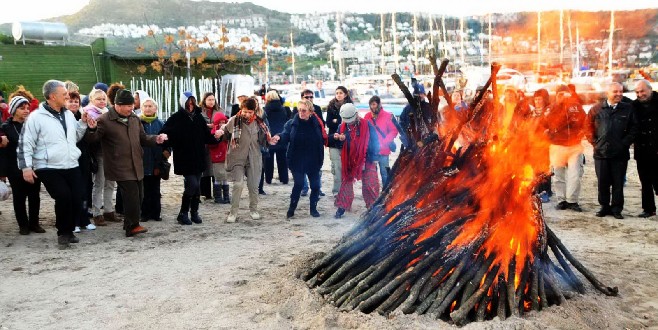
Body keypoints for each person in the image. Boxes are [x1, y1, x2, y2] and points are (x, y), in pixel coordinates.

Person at [18, 80, 90, 248]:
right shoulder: (36, 117)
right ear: (52, 96)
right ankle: (63, 233)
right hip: (47, 166)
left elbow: (75, 137)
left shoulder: (68, 115)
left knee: (77, 196)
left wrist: (83, 123)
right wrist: (26, 167)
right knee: (63, 196)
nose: (67, 96)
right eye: (64, 94)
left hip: (71, 163)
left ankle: (69, 230)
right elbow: (25, 143)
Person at [85, 90, 168, 237]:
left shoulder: (134, 119)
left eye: (132, 105)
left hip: (136, 162)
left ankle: (129, 223)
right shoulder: (105, 120)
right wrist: (91, 129)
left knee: (139, 195)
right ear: (118, 105)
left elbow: (143, 138)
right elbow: (93, 139)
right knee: (131, 195)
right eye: (128, 105)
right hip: (119, 164)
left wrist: (156, 139)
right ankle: (132, 226)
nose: (131, 108)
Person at [160, 91, 220, 225]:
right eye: (188, 103)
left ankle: (194, 212)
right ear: (184, 103)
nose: (191, 106)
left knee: (197, 186)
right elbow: (165, 133)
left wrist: (216, 136)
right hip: (184, 158)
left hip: (199, 157)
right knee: (192, 184)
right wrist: (165, 141)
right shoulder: (176, 118)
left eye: (193, 103)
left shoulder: (199, 117)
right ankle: (183, 213)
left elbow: (206, 136)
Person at [586, 82, 638, 219]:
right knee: (602, 182)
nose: (619, 94)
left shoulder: (628, 109)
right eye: (615, 92)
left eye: (621, 92)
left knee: (618, 183)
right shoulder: (596, 109)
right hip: (600, 153)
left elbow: (634, 128)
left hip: (620, 154)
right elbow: (587, 127)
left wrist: (624, 143)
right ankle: (604, 206)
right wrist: (594, 143)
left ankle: (616, 208)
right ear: (608, 93)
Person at [216, 97, 271, 223]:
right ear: (242, 109)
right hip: (237, 158)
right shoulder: (235, 120)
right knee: (238, 184)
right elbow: (225, 131)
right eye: (245, 111)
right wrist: (220, 132)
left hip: (254, 157)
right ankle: (233, 212)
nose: (247, 114)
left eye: (250, 112)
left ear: (254, 111)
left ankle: (253, 210)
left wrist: (270, 140)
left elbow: (264, 139)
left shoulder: (259, 122)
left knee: (253, 186)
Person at [270, 99, 325, 218]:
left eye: (304, 110)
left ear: (310, 111)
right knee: (299, 184)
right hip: (297, 159)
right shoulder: (291, 123)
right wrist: (278, 137)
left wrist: (335, 138)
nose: (301, 113)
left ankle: (313, 209)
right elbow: (285, 135)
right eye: (299, 110)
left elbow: (324, 138)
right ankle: (291, 208)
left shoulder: (317, 123)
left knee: (316, 186)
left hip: (313, 159)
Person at [0, 96, 44, 235]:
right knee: (19, 196)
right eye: (21, 108)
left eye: (27, 108)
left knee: (34, 195)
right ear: (13, 110)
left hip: (33, 165)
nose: (26, 110)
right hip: (14, 167)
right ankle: (23, 225)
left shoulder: (32, 124)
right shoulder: (5, 128)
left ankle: (34, 223)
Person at [544, 85, 587, 211]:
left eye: (566, 94)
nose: (563, 97)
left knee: (575, 174)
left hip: (575, 145)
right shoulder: (551, 109)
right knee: (558, 175)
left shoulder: (577, 107)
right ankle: (561, 200)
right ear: (556, 95)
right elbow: (544, 124)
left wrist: (582, 132)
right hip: (557, 145)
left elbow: (585, 121)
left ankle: (572, 201)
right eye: (560, 94)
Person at [333, 103, 380, 218]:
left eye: (351, 120)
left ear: (356, 115)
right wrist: (339, 139)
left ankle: (372, 208)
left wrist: (373, 158)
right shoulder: (341, 127)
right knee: (346, 184)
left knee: (370, 185)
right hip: (350, 160)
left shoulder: (367, 125)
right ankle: (341, 208)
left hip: (366, 158)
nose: (349, 122)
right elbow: (340, 145)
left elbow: (375, 142)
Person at [84, 88, 118, 229]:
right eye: (98, 99)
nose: (102, 101)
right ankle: (97, 212)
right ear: (92, 100)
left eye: (104, 99)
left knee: (110, 183)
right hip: (99, 152)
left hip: (112, 152)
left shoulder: (108, 112)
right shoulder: (89, 113)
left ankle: (109, 210)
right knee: (99, 183)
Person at [68, 91, 95, 229]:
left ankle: (85, 219)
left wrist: (92, 128)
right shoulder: (64, 118)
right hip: (70, 158)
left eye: (76, 101)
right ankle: (75, 221)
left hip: (84, 156)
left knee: (85, 188)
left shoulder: (83, 116)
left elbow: (89, 137)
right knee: (74, 190)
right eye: (70, 101)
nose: (73, 104)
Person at [632, 80, 658, 218]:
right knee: (645, 182)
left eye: (642, 91)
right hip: (642, 151)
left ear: (650, 89)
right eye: (637, 92)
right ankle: (648, 209)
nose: (640, 94)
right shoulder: (634, 106)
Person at [140, 97, 168, 222]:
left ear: (155, 108)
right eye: (145, 106)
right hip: (142, 161)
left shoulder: (161, 124)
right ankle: (145, 213)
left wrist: (166, 153)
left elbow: (168, 142)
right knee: (144, 190)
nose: (147, 108)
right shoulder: (138, 123)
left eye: (150, 106)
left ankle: (156, 213)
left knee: (156, 189)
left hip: (157, 161)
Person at [293, 89, 325, 197]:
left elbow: (322, 124)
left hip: (315, 143)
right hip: (301, 143)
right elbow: (293, 125)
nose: (310, 99)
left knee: (317, 168)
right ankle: (304, 188)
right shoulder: (296, 109)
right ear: (302, 97)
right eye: (307, 97)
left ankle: (317, 188)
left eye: (311, 97)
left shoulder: (317, 108)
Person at [363, 95, 398, 187]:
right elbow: (364, 131)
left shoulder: (388, 116)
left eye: (374, 104)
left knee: (385, 173)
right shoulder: (367, 116)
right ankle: (374, 193)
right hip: (371, 151)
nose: (373, 107)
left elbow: (394, 131)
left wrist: (385, 142)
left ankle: (385, 192)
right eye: (371, 105)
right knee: (372, 174)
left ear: (379, 104)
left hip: (384, 151)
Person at [326, 86, 353, 196]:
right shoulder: (331, 106)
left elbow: (352, 122)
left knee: (346, 167)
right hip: (333, 139)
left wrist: (337, 120)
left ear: (345, 94)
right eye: (337, 93)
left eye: (341, 93)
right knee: (336, 167)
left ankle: (346, 190)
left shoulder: (351, 106)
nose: (338, 95)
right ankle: (336, 191)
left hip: (348, 140)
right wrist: (339, 121)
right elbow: (328, 122)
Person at [530, 89, 552, 203]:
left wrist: (548, 130)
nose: (537, 101)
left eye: (540, 99)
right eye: (536, 99)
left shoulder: (549, 112)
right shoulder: (532, 112)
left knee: (544, 170)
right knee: (535, 170)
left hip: (545, 145)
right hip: (533, 145)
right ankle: (537, 190)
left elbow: (553, 126)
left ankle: (546, 192)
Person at [263, 90, 290, 185]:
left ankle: (268, 179)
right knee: (282, 159)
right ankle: (284, 178)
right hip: (281, 135)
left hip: (269, 136)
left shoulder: (265, 109)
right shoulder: (284, 109)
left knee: (268, 160)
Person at [199, 92, 220, 200]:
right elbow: (197, 124)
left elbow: (224, 122)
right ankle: (205, 193)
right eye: (209, 100)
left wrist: (217, 125)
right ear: (204, 100)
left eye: (213, 99)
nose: (211, 102)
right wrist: (207, 125)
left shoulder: (219, 110)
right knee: (205, 168)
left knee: (215, 168)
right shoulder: (199, 111)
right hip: (204, 142)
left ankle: (217, 192)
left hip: (216, 141)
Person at [209, 110, 230, 204]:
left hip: (226, 156)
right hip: (217, 157)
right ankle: (217, 196)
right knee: (218, 176)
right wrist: (217, 137)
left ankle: (226, 196)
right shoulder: (213, 132)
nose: (222, 123)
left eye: (224, 122)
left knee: (225, 176)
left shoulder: (227, 131)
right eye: (220, 122)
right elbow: (211, 145)